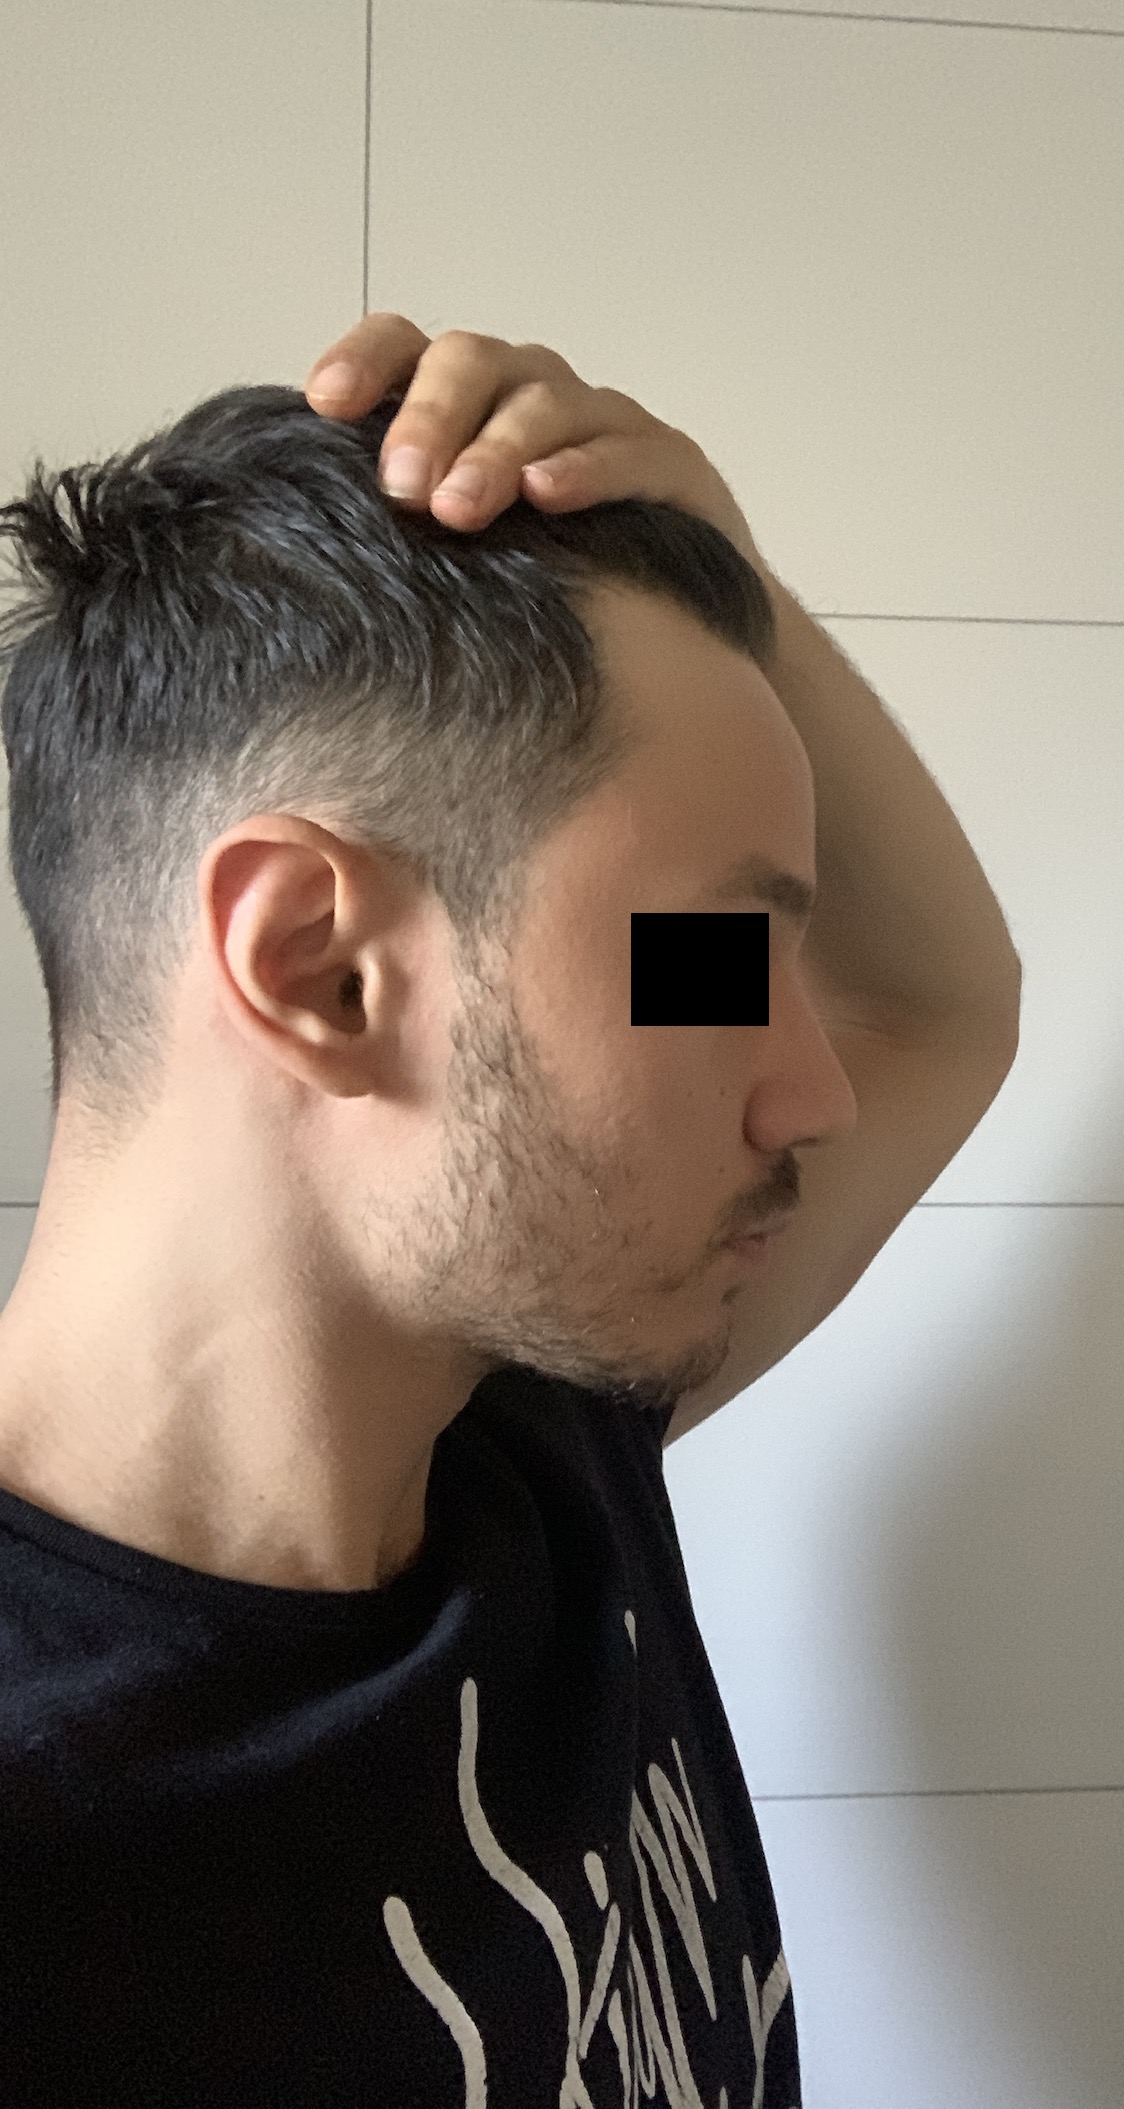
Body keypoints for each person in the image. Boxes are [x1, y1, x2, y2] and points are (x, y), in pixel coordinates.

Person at [0, 315, 1022, 2103]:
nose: (814, 1091)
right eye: (718, 959)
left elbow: (942, 1005)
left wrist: (718, 566)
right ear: (319, 967)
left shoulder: (539, 1439)